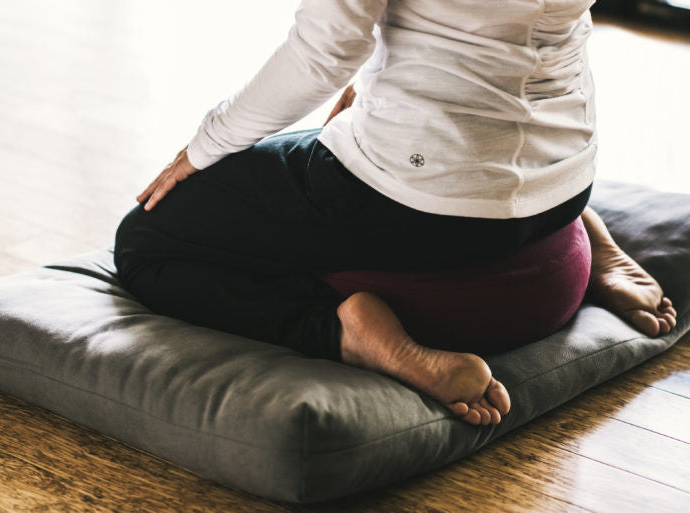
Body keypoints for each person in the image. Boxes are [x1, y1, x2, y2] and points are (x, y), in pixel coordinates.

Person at [114, 0, 677, 427]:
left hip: (422, 204)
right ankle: (583, 228)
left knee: (147, 240)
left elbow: (322, 55)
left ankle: (342, 334)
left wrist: (203, 146)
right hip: (566, 174)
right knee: (332, 133)